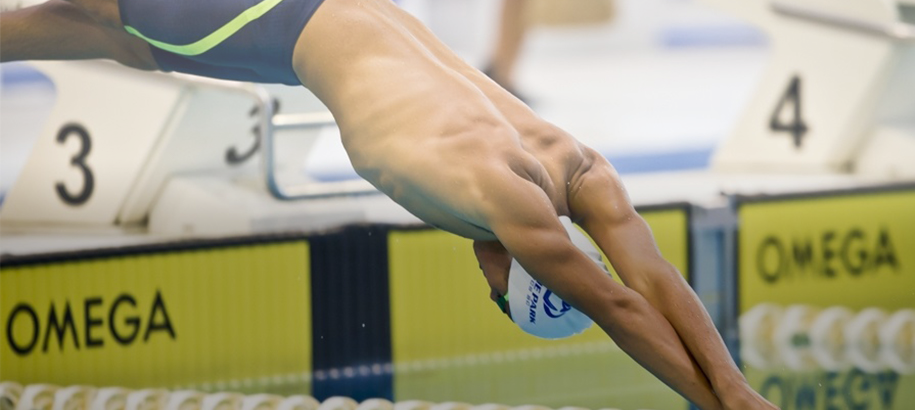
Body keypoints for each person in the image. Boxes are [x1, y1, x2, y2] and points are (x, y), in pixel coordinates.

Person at [0, 0, 777, 408]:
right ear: (508, 279)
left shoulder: (575, 165)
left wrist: (736, 388)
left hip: (326, 14)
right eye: (498, 301)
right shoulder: (503, 209)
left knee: (97, 33)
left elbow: (650, 277)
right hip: (272, 23)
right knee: (100, 21)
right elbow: (616, 304)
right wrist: (718, 403)